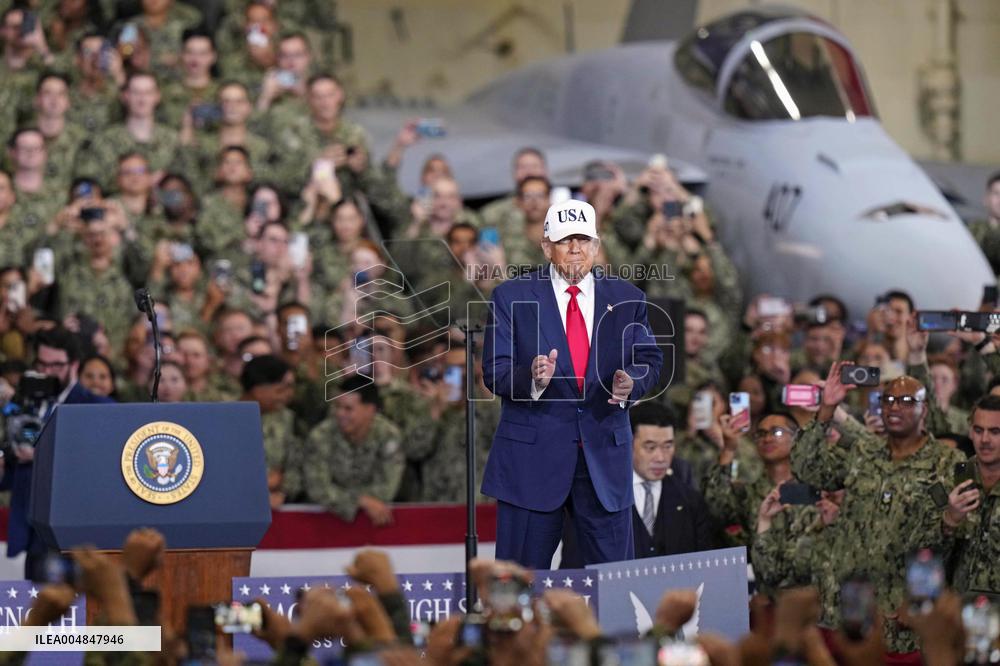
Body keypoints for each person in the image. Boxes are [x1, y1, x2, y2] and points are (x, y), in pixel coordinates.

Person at [482, 199, 662, 567]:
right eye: (566, 241)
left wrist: (632, 384)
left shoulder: (628, 298)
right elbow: (495, 370)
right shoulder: (511, 296)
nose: (576, 249)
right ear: (547, 246)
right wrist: (530, 378)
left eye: (584, 240)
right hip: (532, 463)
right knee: (518, 586)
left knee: (615, 588)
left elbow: (649, 360)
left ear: (597, 246)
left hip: (604, 461)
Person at [792, 360, 963, 657]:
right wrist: (827, 410)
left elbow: (948, 536)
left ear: (925, 408)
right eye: (888, 400)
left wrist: (918, 601)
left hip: (901, 614)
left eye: (907, 401)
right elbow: (806, 469)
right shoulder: (863, 451)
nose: (895, 407)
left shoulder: (946, 462)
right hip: (850, 606)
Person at [0, 327, 113, 579]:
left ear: (74, 365)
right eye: (41, 363)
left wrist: (43, 455)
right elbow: (11, 466)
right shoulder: (24, 403)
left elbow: (102, 466)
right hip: (32, 530)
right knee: (36, 611)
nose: (46, 371)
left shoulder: (97, 408)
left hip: (79, 533)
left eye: (55, 365)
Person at [564, 402, 712, 566]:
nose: (660, 458)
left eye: (667, 446)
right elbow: (574, 567)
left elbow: (705, 567)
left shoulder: (690, 501)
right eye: (650, 447)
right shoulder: (597, 498)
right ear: (628, 443)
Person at [302, 375, 404, 525]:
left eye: (348, 409)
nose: (340, 414)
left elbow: (388, 486)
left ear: (370, 410)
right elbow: (317, 488)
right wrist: (360, 501)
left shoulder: (389, 436)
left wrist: (354, 500)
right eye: (337, 406)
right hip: (326, 524)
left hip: (375, 523)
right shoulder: (320, 436)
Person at [945, 394, 1000, 594]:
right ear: (970, 432)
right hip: (959, 609)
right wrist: (949, 522)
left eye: (995, 432)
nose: (985, 440)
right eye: (978, 430)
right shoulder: (951, 478)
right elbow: (927, 559)